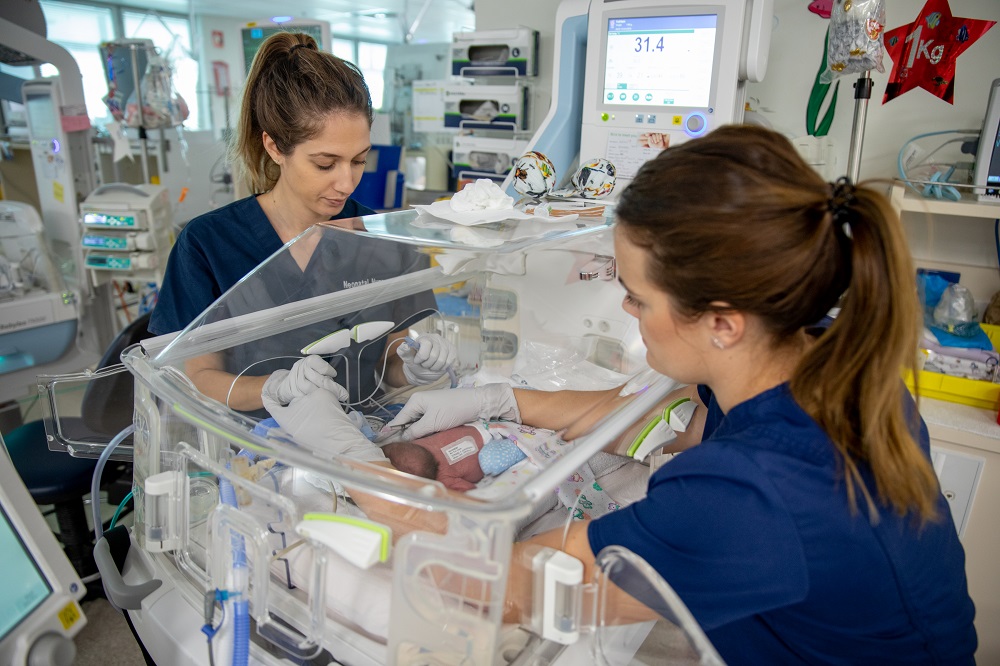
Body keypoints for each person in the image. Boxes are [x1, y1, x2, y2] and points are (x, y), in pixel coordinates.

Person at [383, 125, 978, 664]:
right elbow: (634, 414)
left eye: (638, 297)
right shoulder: (822, 360)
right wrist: (497, 401)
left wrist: (355, 473)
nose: (625, 307)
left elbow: (507, 585)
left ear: (723, 323)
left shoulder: (755, 491)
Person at [149, 31, 454, 413]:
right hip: (257, 448)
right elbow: (196, 377)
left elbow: (390, 360)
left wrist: (413, 368)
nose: (346, 182)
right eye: (325, 164)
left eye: (359, 160)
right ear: (274, 147)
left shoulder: (381, 237)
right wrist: (271, 388)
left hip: (361, 437)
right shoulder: (209, 244)